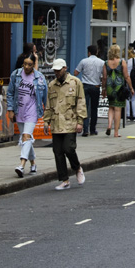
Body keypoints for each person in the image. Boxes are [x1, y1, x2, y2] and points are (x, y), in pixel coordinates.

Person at [43, 57, 86, 190]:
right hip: (56, 123)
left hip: (70, 121)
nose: (56, 73)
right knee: (57, 151)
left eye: (58, 70)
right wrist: (46, 121)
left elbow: (81, 102)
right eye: (55, 71)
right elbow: (49, 105)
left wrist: (80, 121)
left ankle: (77, 167)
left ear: (65, 69)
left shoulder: (75, 82)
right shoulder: (51, 85)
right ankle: (64, 180)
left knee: (69, 148)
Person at [7, 53, 47, 177]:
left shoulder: (39, 77)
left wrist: (47, 114)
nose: (27, 67)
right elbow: (10, 93)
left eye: (30, 64)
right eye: (25, 64)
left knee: (26, 136)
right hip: (20, 110)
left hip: (32, 111)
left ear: (34, 64)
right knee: (27, 139)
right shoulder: (16, 75)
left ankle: (22, 164)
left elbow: (45, 97)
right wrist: (10, 109)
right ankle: (33, 163)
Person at [102, 44, 134, 137]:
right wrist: (131, 87)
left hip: (109, 86)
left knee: (111, 107)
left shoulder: (106, 62)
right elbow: (126, 76)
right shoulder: (121, 62)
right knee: (118, 109)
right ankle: (116, 132)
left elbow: (104, 77)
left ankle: (109, 125)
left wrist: (103, 89)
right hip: (119, 87)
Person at [75, 45, 104, 136]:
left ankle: (85, 129)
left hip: (85, 86)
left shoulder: (83, 61)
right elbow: (104, 76)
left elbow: (75, 73)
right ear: (97, 52)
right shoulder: (102, 62)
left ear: (89, 52)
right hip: (96, 86)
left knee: (85, 108)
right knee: (94, 109)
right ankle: (92, 129)